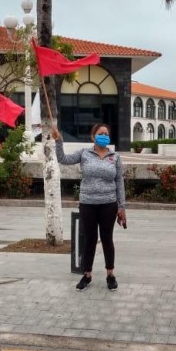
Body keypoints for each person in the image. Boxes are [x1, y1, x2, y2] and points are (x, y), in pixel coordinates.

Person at [52, 124, 126, 291]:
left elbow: (119, 182)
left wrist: (122, 207)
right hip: (88, 204)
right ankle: (87, 275)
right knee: (89, 240)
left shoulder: (115, 157)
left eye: (106, 134)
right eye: (101, 133)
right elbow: (63, 159)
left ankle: (110, 274)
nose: (104, 136)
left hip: (109, 204)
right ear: (93, 136)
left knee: (107, 239)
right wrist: (58, 141)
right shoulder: (84, 153)